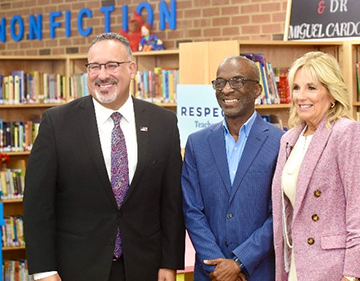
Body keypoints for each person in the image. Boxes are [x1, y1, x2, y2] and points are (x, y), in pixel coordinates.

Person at [23, 32, 185, 281]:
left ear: (132, 69)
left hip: (145, 267)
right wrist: (44, 270)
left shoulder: (163, 122)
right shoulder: (57, 123)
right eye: (94, 67)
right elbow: (38, 204)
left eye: (112, 65)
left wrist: (169, 263)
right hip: (75, 269)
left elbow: (171, 201)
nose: (102, 75)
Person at [271, 51, 360, 281]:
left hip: (336, 269)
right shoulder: (289, 139)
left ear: (332, 94)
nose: (302, 96)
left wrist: (352, 275)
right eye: (297, 88)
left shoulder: (347, 133)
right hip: (297, 266)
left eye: (312, 88)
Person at [182, 55, 284, 281]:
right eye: (220, 83)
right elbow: (191, 210)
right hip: (211, 274)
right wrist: (216, 266)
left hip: (259, 272)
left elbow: (279, 213)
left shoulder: (281, 142)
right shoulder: (197, 143)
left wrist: (240, 262)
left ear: (257, 89)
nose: (227, 90)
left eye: (237, 81)